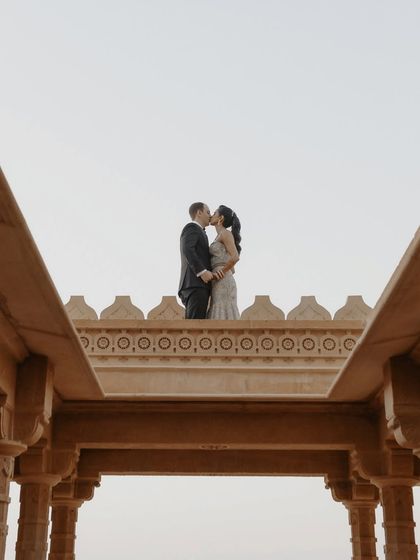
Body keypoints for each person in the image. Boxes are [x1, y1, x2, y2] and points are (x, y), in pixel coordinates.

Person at [178, 202, 216, 319]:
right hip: (195, 284)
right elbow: (187, 249)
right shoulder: (191, 228)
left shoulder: (201, 232)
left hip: (199, 285)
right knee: (194, 327)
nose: (210, 215)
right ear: (199, 213)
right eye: (208, 212)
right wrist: (202, 272)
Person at [207, 205, 241, 319]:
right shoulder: (218, 236)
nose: (211, 215)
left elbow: (235, 257)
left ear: (220, 218)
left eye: (215, 213)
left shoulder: (225, 233)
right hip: (217, 279)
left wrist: (222, 271)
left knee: (223, 311)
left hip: (223, 278)